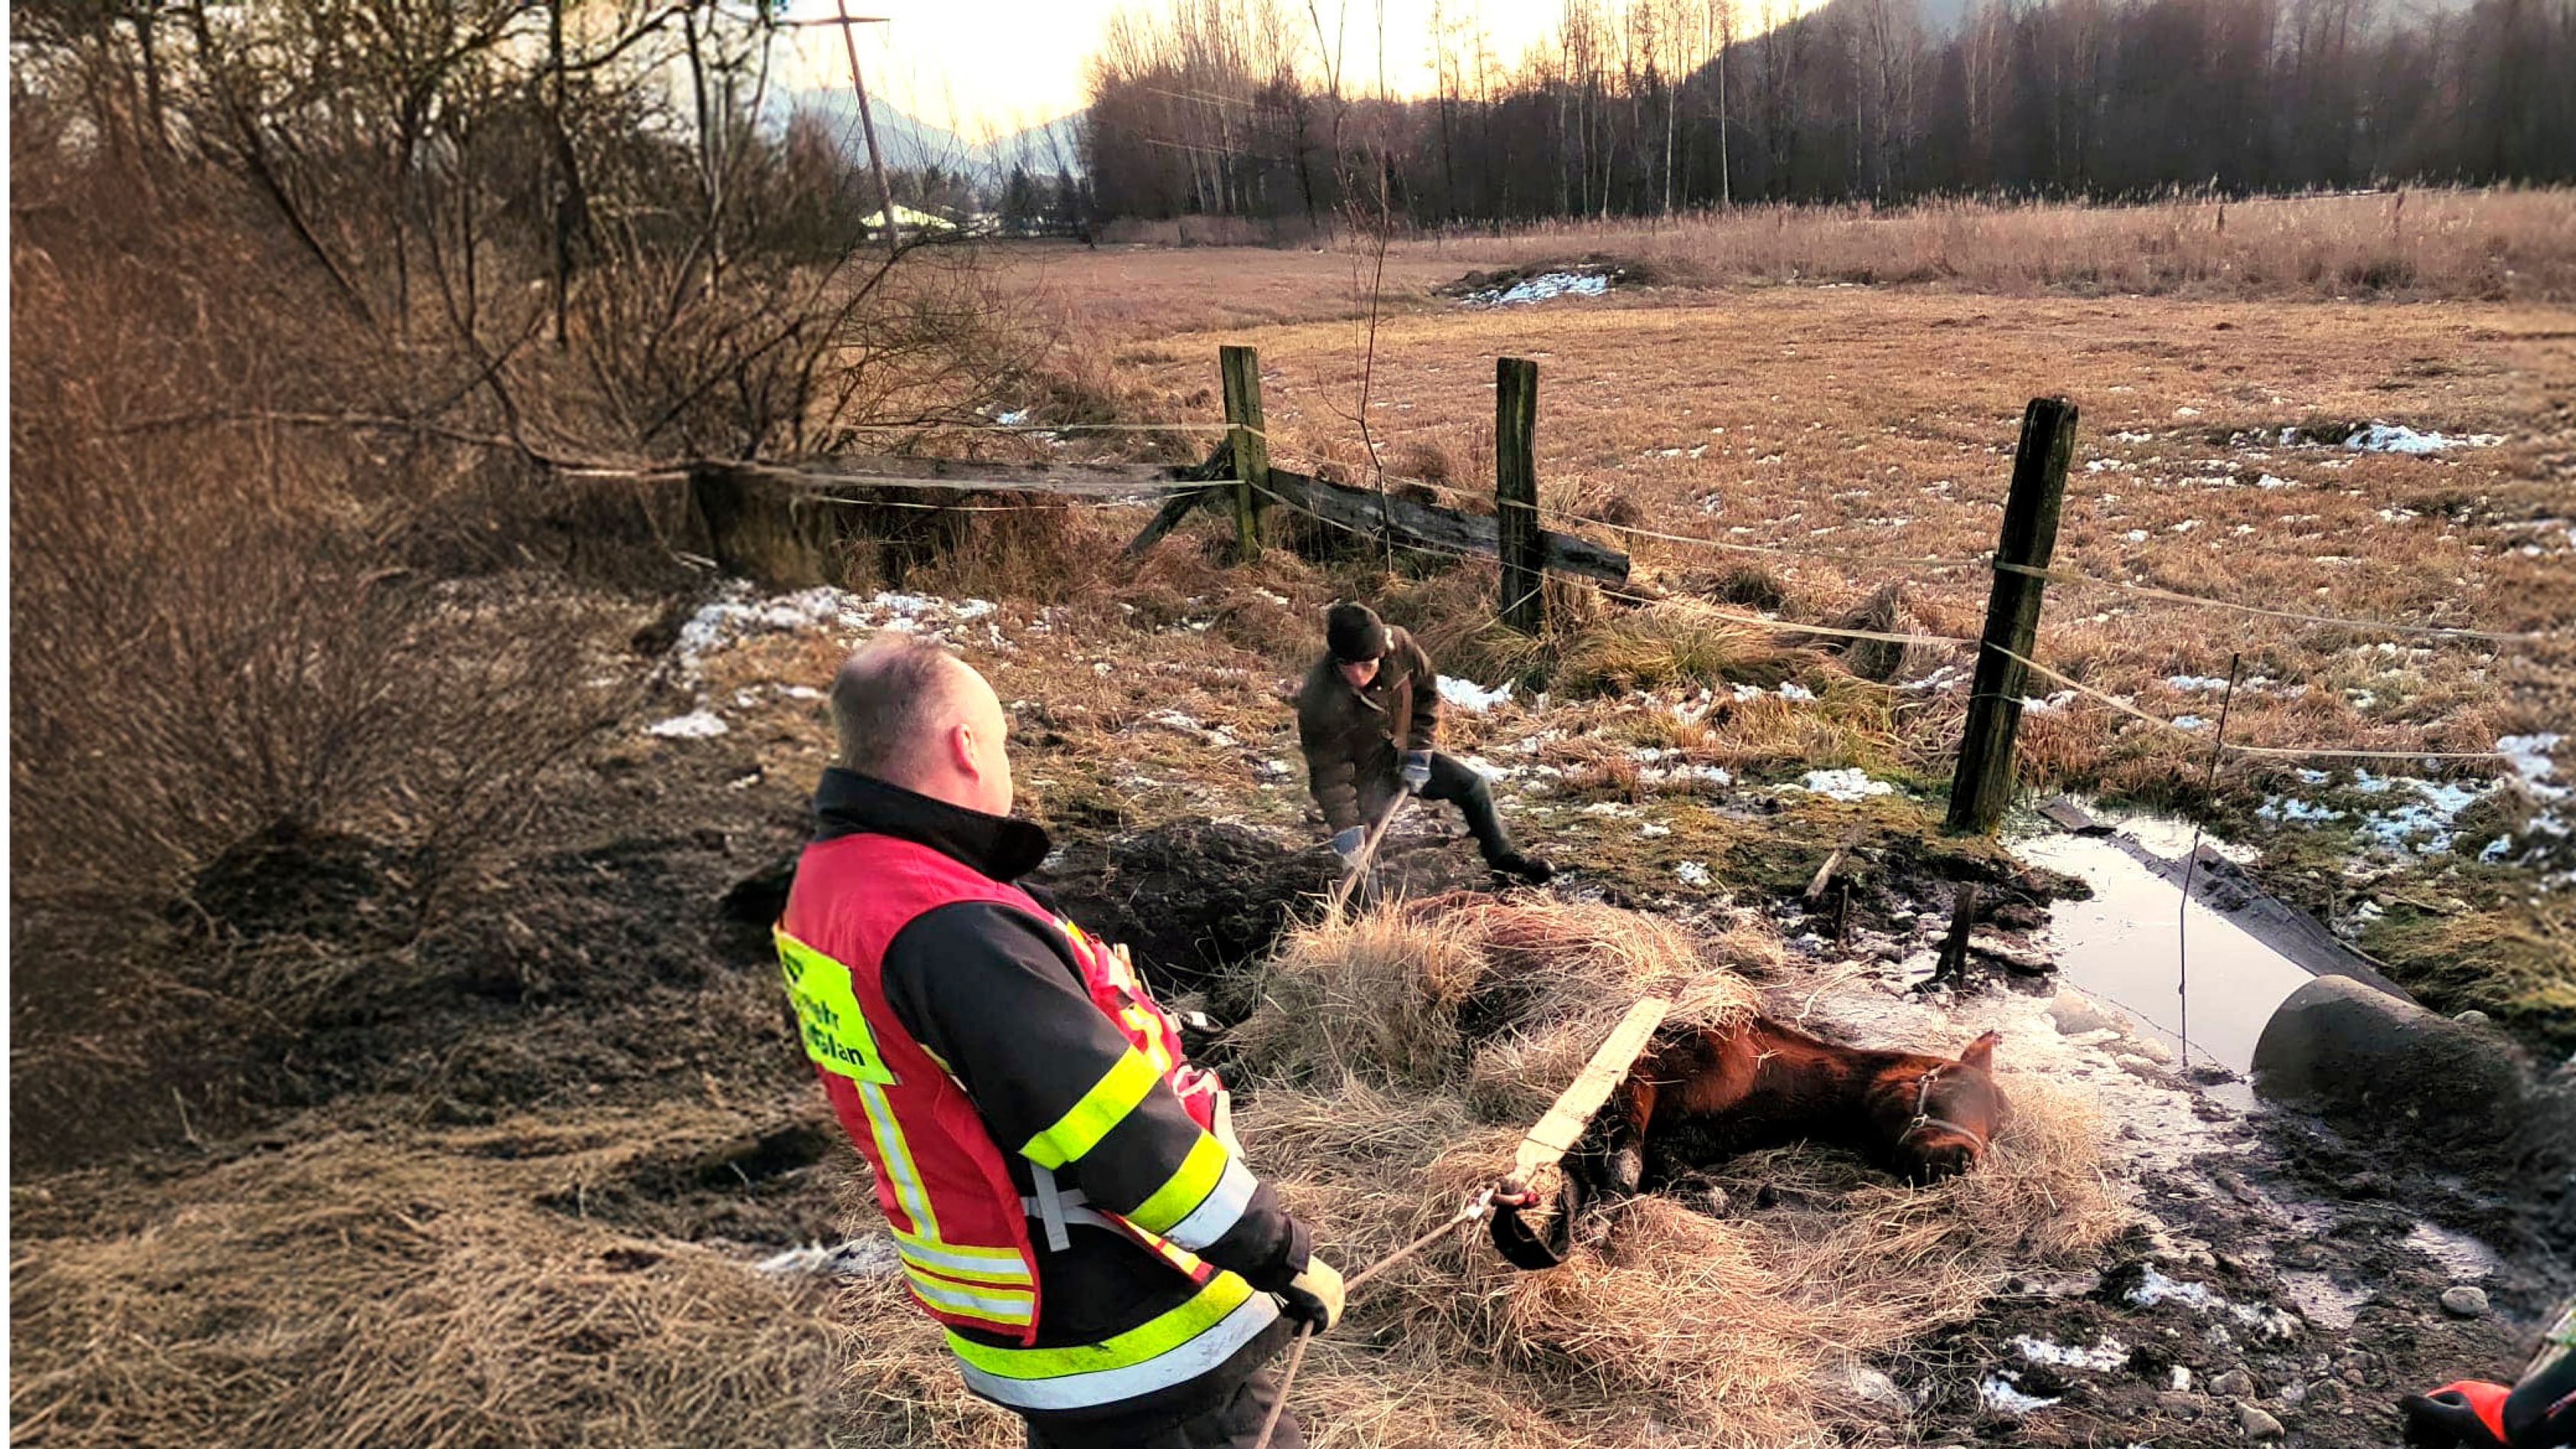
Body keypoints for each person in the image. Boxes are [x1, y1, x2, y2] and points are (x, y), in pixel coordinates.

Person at [776, 636, 1343, 1448]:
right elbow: (1119, 1133)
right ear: (964, 746)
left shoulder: (828, 885)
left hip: (1025, 1305)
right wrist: (1278, 1255)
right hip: (1130, 1323)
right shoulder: (951, 928)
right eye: (1001, 741)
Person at [1295, 601, 1552, 884]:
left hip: (1403, 756)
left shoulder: (1402, 650)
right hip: (1360, 777)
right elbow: (1330, 777)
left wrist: (1419, 752)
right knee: (1363, 856)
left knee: (1474, 788)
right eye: (1347, 665)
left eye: (1366, 665)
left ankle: (1504, 862)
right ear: (1336, 659)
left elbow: (1426, 696)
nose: (1357, 675)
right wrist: (1348, 830)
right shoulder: (1318, 699)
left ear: (1381, 653)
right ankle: (1366, 917)